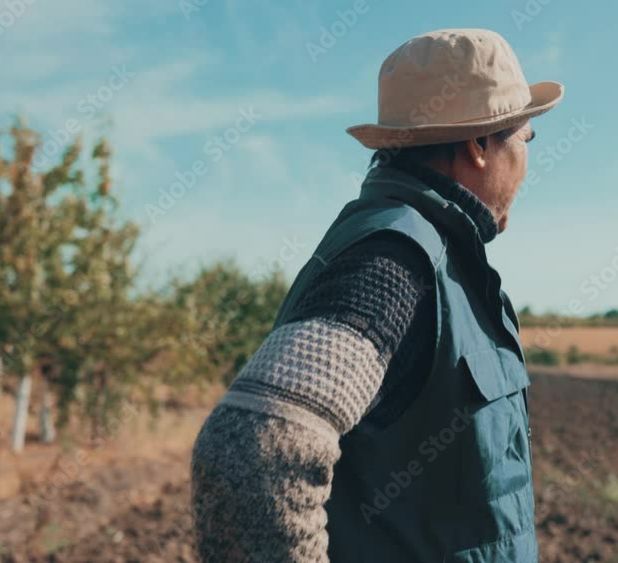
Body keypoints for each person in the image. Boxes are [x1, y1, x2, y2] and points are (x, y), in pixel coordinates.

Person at [191, 28, 564, 562]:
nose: (527, 164)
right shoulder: (393, 263)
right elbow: (251, 454)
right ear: (479, 145)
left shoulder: (438, 258)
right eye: (525, 139)